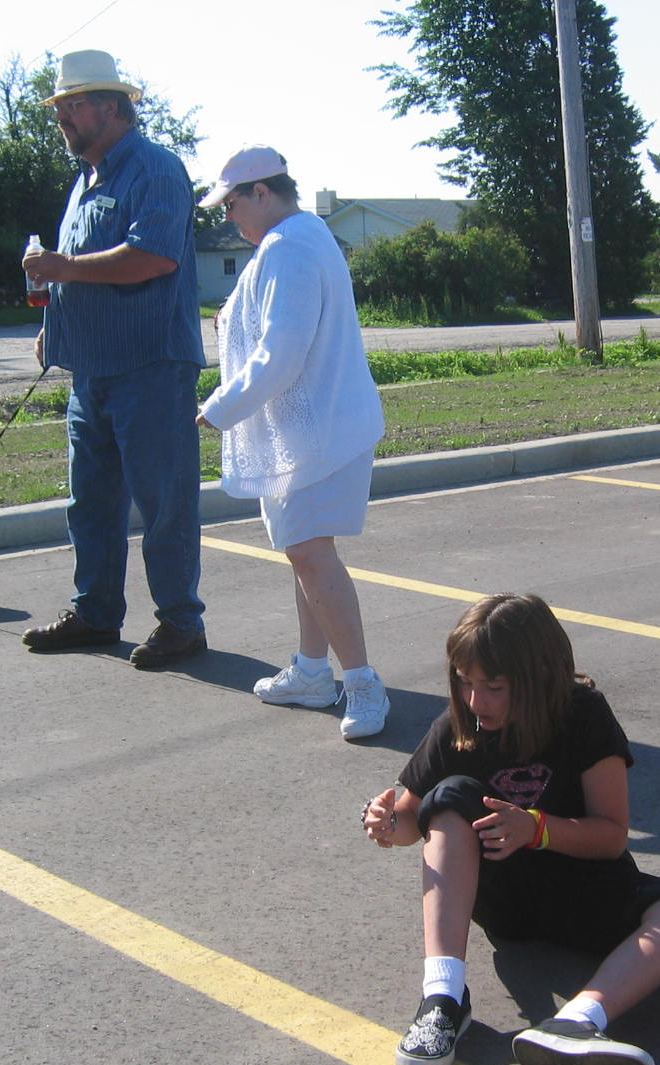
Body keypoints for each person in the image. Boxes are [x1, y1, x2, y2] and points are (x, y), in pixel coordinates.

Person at [361, 594, 660, 1065]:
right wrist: (384, 822)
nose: (475, 701)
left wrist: (537, 828)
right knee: (449, 795)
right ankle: (443, 998)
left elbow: (611, 835)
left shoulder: (583, 715)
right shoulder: (459, 728)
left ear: (541, 675)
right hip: (509, 903)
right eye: (464, 681)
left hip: (586, 889)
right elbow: (411, 819)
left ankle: (577, 1022)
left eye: (494, 686)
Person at [19, 50, 206, 670]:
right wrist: (55, 324)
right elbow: (72, 274)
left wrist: (64, 268)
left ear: (111, 107)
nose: (62, 118)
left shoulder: (155, 169)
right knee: (91, 504)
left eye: (73, 105)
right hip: (92, 372)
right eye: (60, 107)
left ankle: (181, 623)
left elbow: (153, 257)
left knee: (163, 504)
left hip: (150, 367)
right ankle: (96, 613)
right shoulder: (85, 181)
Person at [196, 147, 388, 739]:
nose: (228, 216)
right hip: (312, 429)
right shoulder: (300, 237)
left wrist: (218, 409)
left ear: (261, 192)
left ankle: (362, 683)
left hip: (319, 431)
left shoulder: (289, 247)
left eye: (231, 204)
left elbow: (281, 351)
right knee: (307, 552)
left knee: (310, 553)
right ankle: (311, 671)